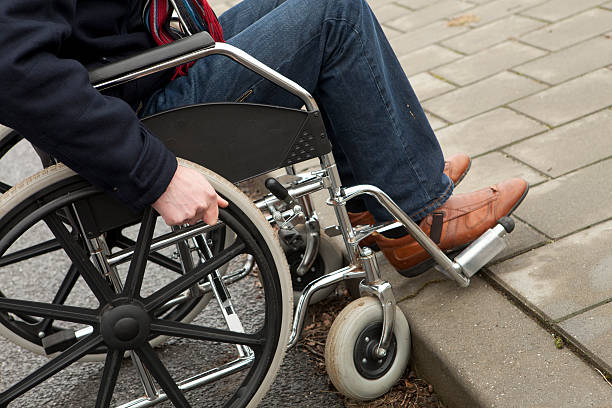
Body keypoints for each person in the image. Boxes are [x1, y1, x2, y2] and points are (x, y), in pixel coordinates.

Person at [0, 0, 527, 276]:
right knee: (333, 14)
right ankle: (413, 217)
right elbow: (13, 68)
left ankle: (384, 189)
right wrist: (154, 174)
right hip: (146, 115)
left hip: (151, 71)